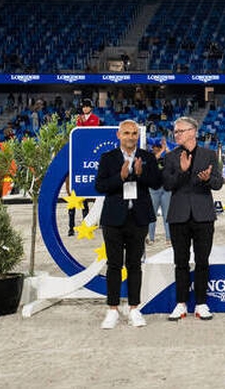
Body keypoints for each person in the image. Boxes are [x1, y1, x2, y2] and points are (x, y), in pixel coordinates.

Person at [95, 120, 162, 329]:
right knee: (114, 265)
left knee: (134, 265)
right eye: (126, 133)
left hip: (138, 219)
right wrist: (120, 177)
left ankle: (134, 308)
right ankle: (112, 309)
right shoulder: (108, 158)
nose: (130, 137)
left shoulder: (147, 157)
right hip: (114, 219)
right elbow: (100, 186)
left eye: (133, 133)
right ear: (118, 135)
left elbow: (157, 182)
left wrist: (141, 174)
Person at [162, 116, 223, 321]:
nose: (176, 135)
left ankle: (201, 303)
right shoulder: (171, 157)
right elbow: (168, 185)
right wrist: (183, 171)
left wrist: (206, 180)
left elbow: (218, 183)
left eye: (180, 131)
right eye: (175, 131)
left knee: (202, 261)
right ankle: (181, 304)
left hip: (203, 214)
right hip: (178, 215)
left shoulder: (209, 155)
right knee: (180, 262)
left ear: (193, 132)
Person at [69, 98, 100, 236]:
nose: (84, 109)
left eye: (86, 107)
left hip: (92, 146)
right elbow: (78, 132)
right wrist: (79, 122)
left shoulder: (95, 118)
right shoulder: (78, 119)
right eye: (83, 107)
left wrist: (82, 122)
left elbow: (90, 131)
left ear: (90, 108)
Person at [148, 137, 171, 245]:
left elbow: (173, 158)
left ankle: (169, 238)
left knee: (167, 215)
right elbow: (151, 162)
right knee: (152, 215)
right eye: (154, 147)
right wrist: (162, 150)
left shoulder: (166, 158)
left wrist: (166, 149)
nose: (154, 149)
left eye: (157, 147)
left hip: (166, 189)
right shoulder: (150, 157)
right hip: (154, 189)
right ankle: (151, 238)